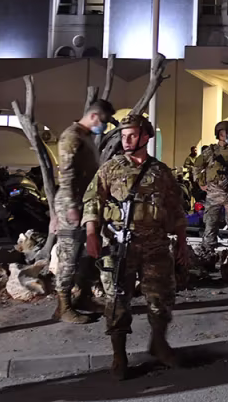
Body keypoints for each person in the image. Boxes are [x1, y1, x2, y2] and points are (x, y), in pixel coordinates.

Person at [82, 113, 188, 379]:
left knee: (160, 298)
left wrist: (182, 243)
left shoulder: (161, 172)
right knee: (117, 300)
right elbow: (93, 200)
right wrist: (91, 233)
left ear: (145, 136)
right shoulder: (111, 168)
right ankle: (119, 355)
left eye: (131, 135)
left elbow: (175, 209)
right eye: (123, 136)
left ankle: (159, 343)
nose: (126, 140)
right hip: (120, 246)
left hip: (155, 246)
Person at [52, 99, 116, 324]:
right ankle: (64, 307)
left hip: (86, 203)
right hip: (74, 204)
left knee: (89, 255)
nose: (105, 127)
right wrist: (71, 208)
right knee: (69, 257)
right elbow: (66, 175)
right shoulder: (72, 137)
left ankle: (83, 297)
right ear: (95, 117)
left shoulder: (86, 136)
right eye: (105, 122)